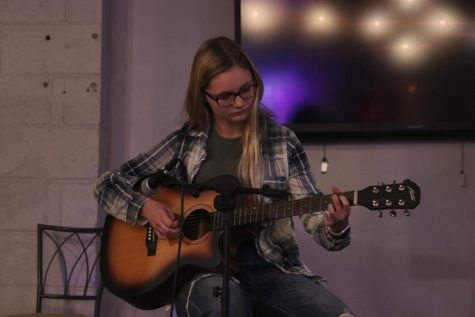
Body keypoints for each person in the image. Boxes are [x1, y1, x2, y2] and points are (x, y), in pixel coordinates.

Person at [94, 36, 354, 317]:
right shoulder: (184, 143)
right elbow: (107, 184)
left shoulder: (281, 141)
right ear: (204, 95)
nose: (241, 102)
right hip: (200, 275)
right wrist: (147, 207)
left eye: (247, 89)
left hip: (271, 268)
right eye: (226, 96)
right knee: (226, 307)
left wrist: (335, 226)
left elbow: (314, 216)